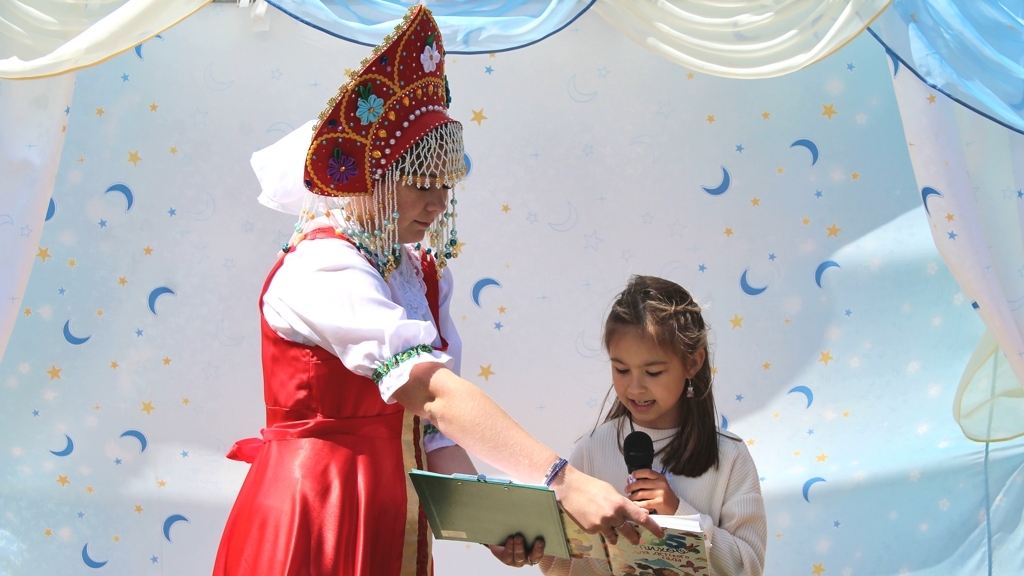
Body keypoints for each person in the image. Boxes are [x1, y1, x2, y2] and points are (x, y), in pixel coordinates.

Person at [211, 6, 660, 576]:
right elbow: (431, 393)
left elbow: (432, 430)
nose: (438, 202)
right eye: (421, 183)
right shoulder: (322, 265)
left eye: (445, 185)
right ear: (369, 178)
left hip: (391, 513)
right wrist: (563, 480)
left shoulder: (421, 273)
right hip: (314, 508)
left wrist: (494, 521)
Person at [540, 276, 767, 576]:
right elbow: (569, 565)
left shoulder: (730, 457)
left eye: (654, 372)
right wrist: (536, 547)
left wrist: (679, 514)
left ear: (693, 363)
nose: (635, 387)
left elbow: (748, 567)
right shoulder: (592, 449)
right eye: (621, 369)